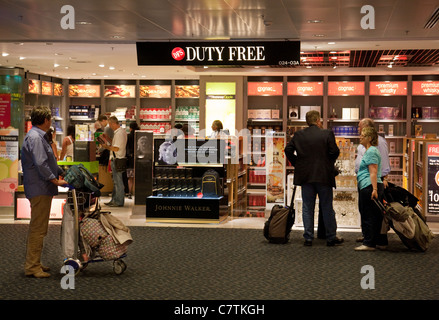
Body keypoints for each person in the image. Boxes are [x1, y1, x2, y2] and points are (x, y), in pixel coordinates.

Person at [21, 106, 67, 278]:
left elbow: (47, 162)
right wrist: (54, 179)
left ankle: (35, 262)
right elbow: (41, 163)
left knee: (39, 227)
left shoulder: (37, 136)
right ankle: (32, 266)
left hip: (40, 187)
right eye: (50, 119)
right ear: (46, 120)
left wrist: (60, 172)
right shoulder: (37, 138)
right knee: (38, 228)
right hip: (40, 188)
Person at [284, 110, 343, 247]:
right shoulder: (327, 133)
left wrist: (297, 163)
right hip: (324, 176)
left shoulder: (299, 135)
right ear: (317, 121)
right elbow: (335, 152)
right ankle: (330, 237)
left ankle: (308, 237)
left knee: (307, 207)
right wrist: (327, 163)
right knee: (327, 207)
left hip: (306, 176)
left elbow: (288, 150)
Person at [355, 118, 391, 242]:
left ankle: (375, 239)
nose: (358, 130)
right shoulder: (363, 143)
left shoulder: (379, 143)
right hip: (364, 181)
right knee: (364, 210)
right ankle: (367, 235)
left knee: (375, 212)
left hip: (373, 181)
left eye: (360, 128)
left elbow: (382, 162)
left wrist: (384, 178)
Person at [100, 116, 127, 207]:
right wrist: (107, 139)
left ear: (113, 123)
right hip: (117, 159)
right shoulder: (120, 132)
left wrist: (105, 147)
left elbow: (115, 148)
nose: (110, 127)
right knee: (116, 181)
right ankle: (114, 200)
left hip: (117, 159)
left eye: (110, 124)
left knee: (118, 181)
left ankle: (118, 201)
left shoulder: (119, 133)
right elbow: (115, 144)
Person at [126, 122, 140, 199]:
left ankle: (129, 193)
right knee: (137, 177)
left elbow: (127, 147)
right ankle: (138, 192)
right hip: (139, 158)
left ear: (130, 128)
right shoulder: (139, 134)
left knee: (130, 177)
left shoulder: (129, 136)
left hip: (130, 159)